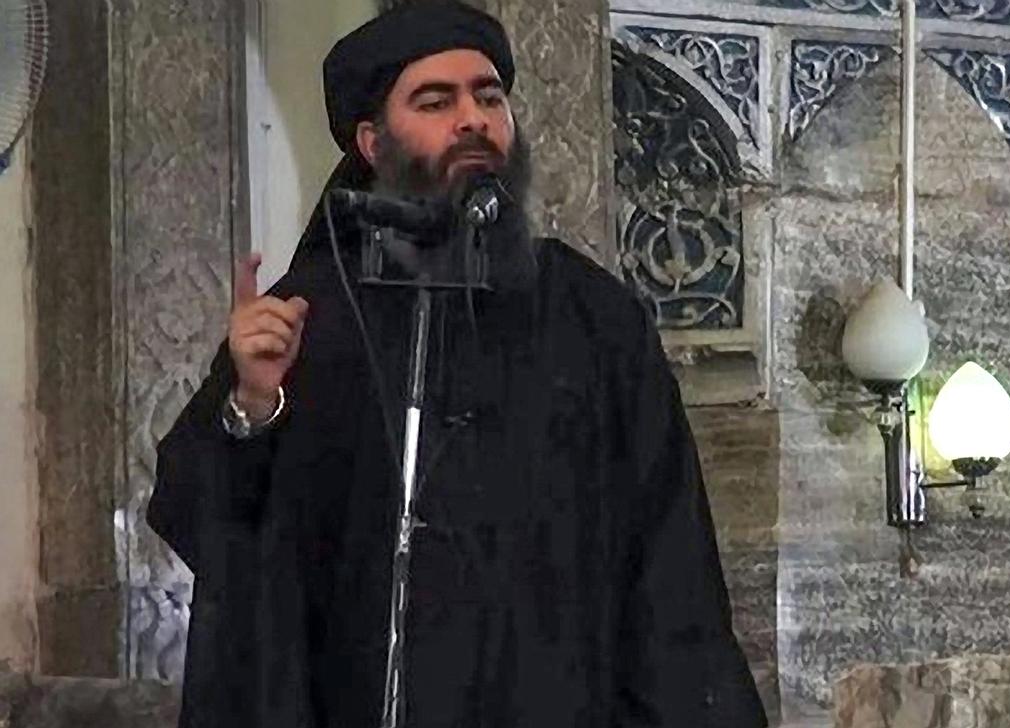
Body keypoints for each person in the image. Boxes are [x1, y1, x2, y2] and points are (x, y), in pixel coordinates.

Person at [147, 1, 767, 727]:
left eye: (489, 97)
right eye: (436, 102)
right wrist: (252, 407)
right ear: (372, 142)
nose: (473, 118)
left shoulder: (594, 318)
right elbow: (204, 522)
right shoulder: (311, 316)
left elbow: (670, 562)